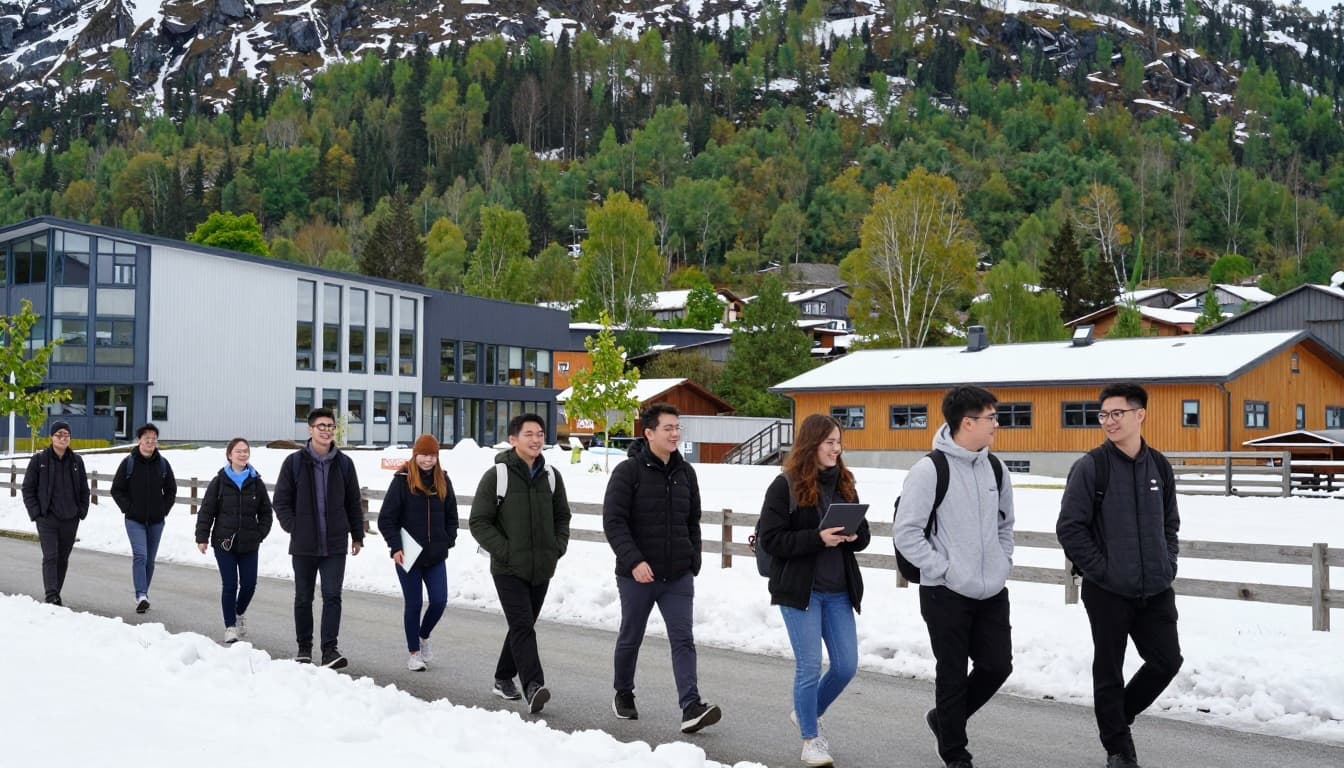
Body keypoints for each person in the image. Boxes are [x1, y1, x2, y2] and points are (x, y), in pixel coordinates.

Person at [1057, 383, 1182, 768]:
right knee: (1109, 667)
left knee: (1166, 661)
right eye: (1104, 415)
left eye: (1117, 414)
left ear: (1140, 415)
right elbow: (1070, 528)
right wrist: (1103, 571)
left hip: (1155, 588)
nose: (1109, 422)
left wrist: (1167, 562)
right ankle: (1119, 749)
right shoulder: (1091, 467)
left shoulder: (1159, 465)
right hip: (1108, 590)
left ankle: (1117, 716)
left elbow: (1170, 524)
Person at [894, 385, 1015, 768]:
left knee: (997, 665)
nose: (996, 424)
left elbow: (1006, 525)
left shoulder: (996, 467)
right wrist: (942, 569)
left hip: (991, 588)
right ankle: (954, 750)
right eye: (991, 417)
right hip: (944, 591)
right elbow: (906, 531)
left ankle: (943, 720)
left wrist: (1001, 562)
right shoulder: (930, 470)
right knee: (951, 670)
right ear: (967, 422)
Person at [602, 402, 722, 735]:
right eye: (668, 428)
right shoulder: (628, 472)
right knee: (631, 636)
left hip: (678, 575)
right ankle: (623, 693)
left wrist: (692, 557)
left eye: (677, 427)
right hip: (638, 575)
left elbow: (692, 520)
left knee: (683, 639)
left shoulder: (686, 473)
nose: (675, 433)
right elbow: (614, 522)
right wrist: (634, 561)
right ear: (649, 432)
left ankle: (691, 706)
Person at [757, 413, 869, 766]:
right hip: (801, 591)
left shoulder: (845, 483)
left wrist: (853, 536)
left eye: (839, 442)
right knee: (808, 666)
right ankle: (811, 739)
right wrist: (817, 538)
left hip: (838, 591)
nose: (836, 449)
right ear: (811, 444)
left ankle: (806, 711)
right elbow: (772, 540)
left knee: (846, 666)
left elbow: (863, 535)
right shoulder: (784, 485)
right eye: (829, 442)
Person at [469, 413, 571, 714]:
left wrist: (557, 547)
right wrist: (506, 551)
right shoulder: (497, 475)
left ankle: (503, 678)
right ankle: (533, 685)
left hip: (542, 566)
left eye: (540, 433)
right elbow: (478, 521)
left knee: (521, 626)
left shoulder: (551, 476)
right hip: (508, 568)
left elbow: (562, 516)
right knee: (523, 625)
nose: (536, 439)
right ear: (513, 439)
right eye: (529, 434)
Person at [274, 407, 364, 668]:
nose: (326, 430)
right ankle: (304, 648)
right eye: (320, 426)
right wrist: (294, 527)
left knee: (332, 595)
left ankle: (329, 650)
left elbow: (353, 502)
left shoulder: (344, 464)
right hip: (303, 544)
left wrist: (356, 535)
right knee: (303, 597)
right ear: (310, 429)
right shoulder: (294, 463)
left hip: (335, 544)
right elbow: (281, 501)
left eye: (330, 426)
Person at [377, 433, 457, 672]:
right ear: (415, 455)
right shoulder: (402, 481)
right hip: (408, 555)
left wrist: (447, 540)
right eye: (423, 455)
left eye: (432, 455)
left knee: (439, 601)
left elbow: (452, 516)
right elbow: (386, 519)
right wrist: (395, 547)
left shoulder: (443, 480)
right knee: (413, 604)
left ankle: (423, 636)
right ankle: (413, 653)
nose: (427, 460)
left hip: (435, 556)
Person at [195, 438, 273, 644]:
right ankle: (230, 626)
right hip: (224, 542)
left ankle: (237, 613)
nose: (242, 454)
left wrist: (260, 533)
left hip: (249, 543)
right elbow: (207, 511)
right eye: (238, 451)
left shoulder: (256, 482)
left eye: (246, 451)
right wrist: (202, 537)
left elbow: (266, 512)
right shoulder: (219, 481)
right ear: (229, 455)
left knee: (249, 584)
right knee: (230, 584)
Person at [111, 423, 178, 614]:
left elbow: (171, 489)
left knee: (150, 560)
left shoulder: (163, 464)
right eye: (147, 438)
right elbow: (117, 489)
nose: (150, 441)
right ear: (139, 440)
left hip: (156, 521)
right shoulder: (129, 463)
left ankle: (144, 596)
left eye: (154, 438)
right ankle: (140, 594)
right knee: (140, 555)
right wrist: (129, 508)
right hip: (134, 520)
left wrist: (164, 509)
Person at [22, 420, 90, 606]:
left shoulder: (77, 461)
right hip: (47, 518)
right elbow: (28, 488)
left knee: (62, 558)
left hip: (70, 518)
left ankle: (56, 593)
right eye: (59, 434)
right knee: (50, 556)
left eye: (66, 435)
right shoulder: (39, 460)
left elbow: (84, 489)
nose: (63, 438)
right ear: (51, 437)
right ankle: (51, 594)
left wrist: (81, 511)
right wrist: (36, 513)